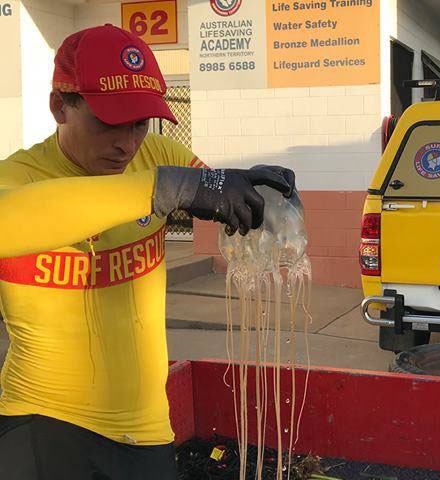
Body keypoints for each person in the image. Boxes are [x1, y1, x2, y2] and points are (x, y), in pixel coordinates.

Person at [0, 24, 295, 479]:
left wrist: (258, 198)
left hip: (145, 428)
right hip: (41, 419)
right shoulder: (20, 177)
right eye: (108, 123)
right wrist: (165, 187)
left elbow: (215, 187)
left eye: (140, 123)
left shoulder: (155, 154)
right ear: (59, 106)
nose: (127, 143)